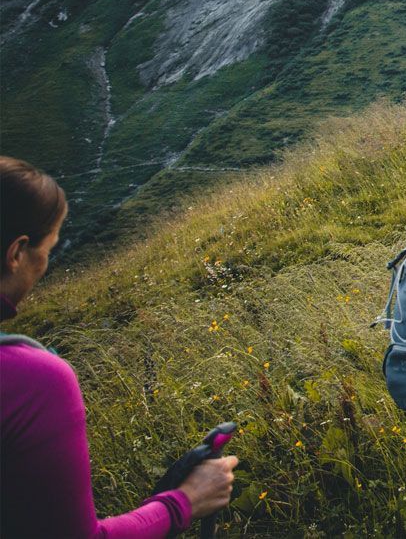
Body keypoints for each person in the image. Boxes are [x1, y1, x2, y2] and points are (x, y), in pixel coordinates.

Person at [1, 157, 238, 539]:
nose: (44, 265)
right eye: (48, 249)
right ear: (17, 253)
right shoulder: (34, 381)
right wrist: (187, 500)